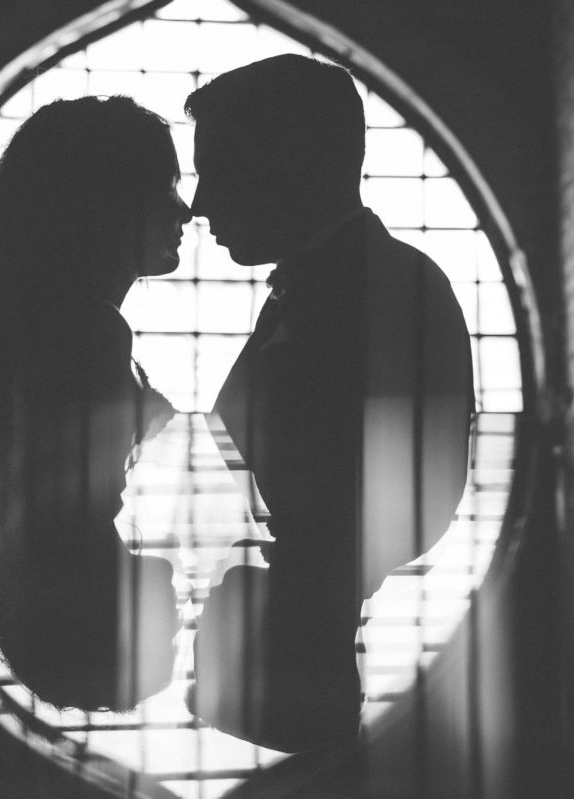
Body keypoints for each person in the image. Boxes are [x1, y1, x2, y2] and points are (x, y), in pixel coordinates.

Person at [185, 55, 475, 751]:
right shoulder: (346, 283)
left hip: (300, 666)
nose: (198, 203)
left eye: (218, 169)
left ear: (290, 162)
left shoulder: (388, 292)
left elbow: (409, 496)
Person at [0, 96, 192, 712]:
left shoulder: (34, 326)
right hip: (81, 619)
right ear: (100, 204)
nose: (185, 209)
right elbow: (74, 508)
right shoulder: (86, 331)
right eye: (161, 187)